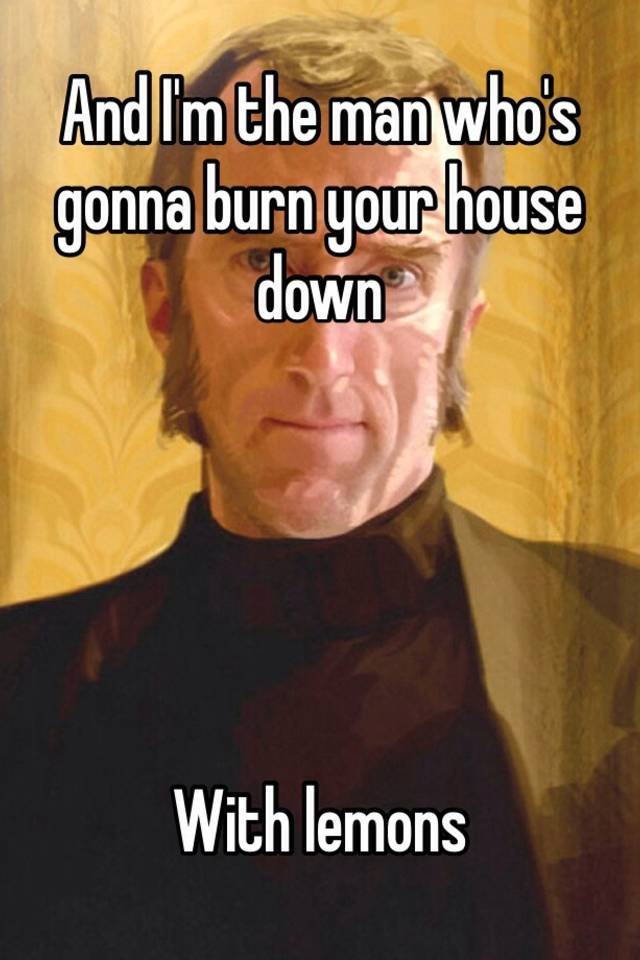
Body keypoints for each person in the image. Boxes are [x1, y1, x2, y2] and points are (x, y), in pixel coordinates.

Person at [1, 15, 638, 959]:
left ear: (461, 330)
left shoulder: (622, 646)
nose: (324, 352)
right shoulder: (19, 692)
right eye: (265, 263)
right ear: (166, 311)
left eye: (394, 274)